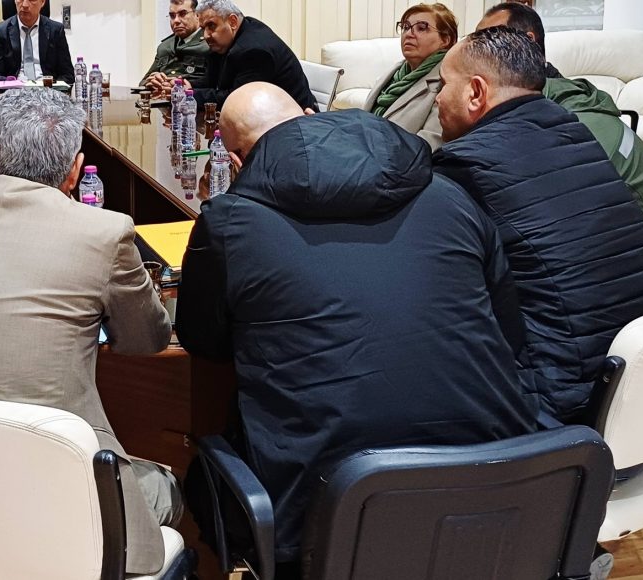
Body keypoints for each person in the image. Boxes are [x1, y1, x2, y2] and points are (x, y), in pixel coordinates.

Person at [176, 82, 538, 574]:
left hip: (325, 518)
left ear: (235, 162)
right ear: (310, 115)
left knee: (203, 478)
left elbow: (204, 342)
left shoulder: (229, 223)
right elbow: (508, 333)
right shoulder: (450, 196)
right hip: (498, 496)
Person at [0, 88, 178, 576]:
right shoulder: (105, 232)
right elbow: (146, 340)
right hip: (52, 496)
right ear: (75, 171)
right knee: (168, 483)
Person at [433, 26, 643, 422]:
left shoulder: (466, 165)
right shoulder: (574, 131)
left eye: (442, 84)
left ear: (475, 92)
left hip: (560, 405)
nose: (437, 98)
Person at [479, 2, 643, 306]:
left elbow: (551, 228)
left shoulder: (578, 127)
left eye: (490, 39)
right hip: (612, 275)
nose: (478, 50)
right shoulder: (538, 108)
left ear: (526, 44)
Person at [186, 0, 315, 111]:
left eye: (211, 26)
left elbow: (236, 101)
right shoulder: (230, 38)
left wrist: (190, 95)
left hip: (298, 121)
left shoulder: (254, 51)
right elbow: (214, 82)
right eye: (203, 28)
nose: (206, 35)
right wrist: (187, 86)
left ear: (233, 22)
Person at [363, 2, 457, 150]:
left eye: (422, 28)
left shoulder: (447, 83)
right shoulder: (394, 73)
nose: (409, 34)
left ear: (445, 40)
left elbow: (429, 146)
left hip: (394, 160)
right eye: (406, 27)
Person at [0, 0, 75, 83]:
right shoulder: (0, 31)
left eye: (32, 0)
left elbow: (68, 75)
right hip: (14, 90)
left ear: (42, 2)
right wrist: (13, 84)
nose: (25, 5)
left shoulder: (55, 30)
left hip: (47, 89)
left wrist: (52, 87)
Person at [142, 0, 209, 92]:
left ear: (197, 15)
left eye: (183, 14)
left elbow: (215, 84)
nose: (176, 20)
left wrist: (181, 86)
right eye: (172, 16)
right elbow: (143, 82)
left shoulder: (209, 43)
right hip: (160, 99)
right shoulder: (165, 46)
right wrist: (152, 81)